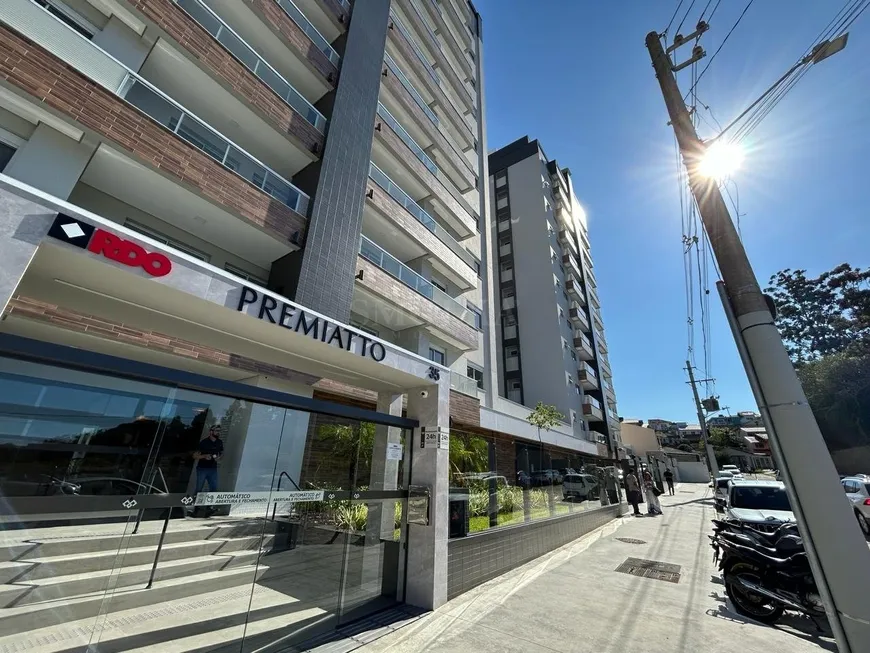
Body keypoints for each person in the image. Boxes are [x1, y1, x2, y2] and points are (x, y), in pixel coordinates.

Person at [194, 424, 223, 495]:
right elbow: (195, 456)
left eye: (219, 431)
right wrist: (204, 456)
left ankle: (210, 506)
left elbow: (221, 452)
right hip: (202, 469)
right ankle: (195, 505)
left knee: (214, 488)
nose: (218, 432)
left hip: (213, 469)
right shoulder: (204, 442)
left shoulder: (219, 442)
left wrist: (219, 458)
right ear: (211, 432)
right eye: (217, 431)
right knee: (199, 488)